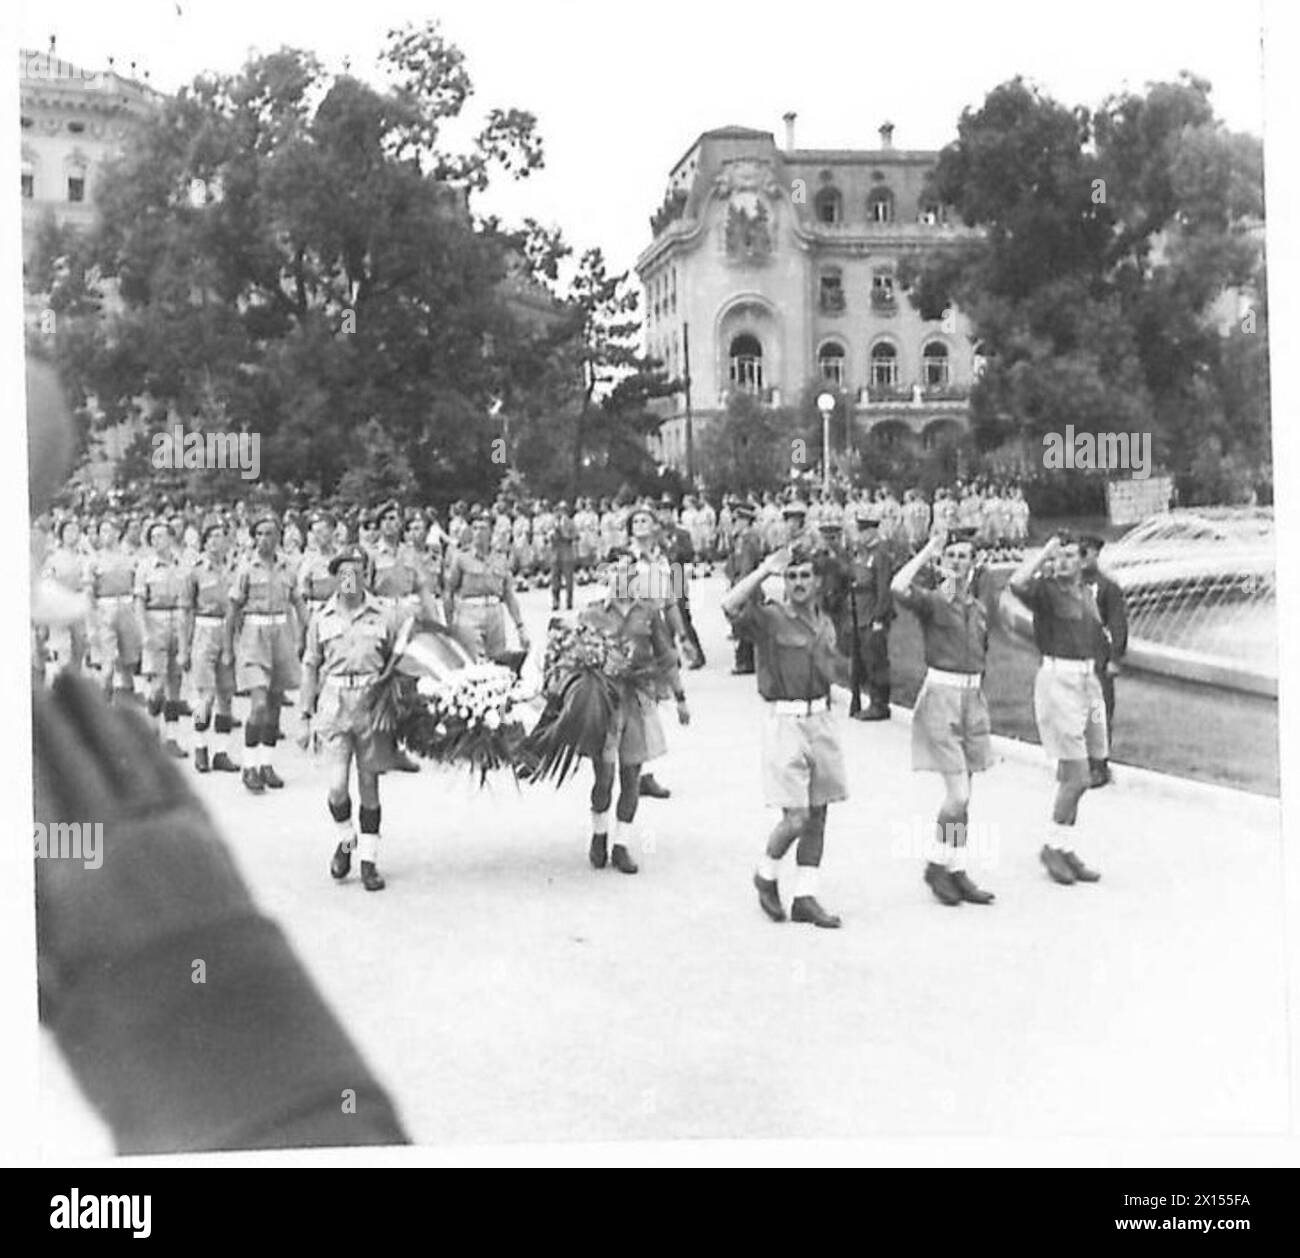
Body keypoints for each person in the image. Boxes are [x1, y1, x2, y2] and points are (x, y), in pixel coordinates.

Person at [722, 542, 851, 928]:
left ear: (816, 582)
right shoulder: (770, 619)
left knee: (819, 813)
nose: (798, 582)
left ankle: (805, 896)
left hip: (822, 720)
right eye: (791, 576)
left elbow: (833, 666)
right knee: (796, 817)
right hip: (786, 723)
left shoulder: (824, 621)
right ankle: (766, 873)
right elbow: (730, 605)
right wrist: (765, 570)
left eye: (804, 576)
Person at [891, 529, 997, 906]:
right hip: (941, 696)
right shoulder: (934, 602)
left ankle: (956, 866)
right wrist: (927, 550)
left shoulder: (979, 608)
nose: (957, 562)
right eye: (950, 555)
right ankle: (936, 863)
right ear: (941, 562)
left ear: (974, 563)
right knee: (959, 793)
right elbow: (897, 586)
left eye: (963, 556)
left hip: (972, 697)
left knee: (965, 795)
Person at [581, 549, 690, 876]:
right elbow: (572, 657)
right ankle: (599, 834)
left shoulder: (648, 613)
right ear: (605, 576)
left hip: (638, 699)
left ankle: (622, 844)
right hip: (604, 700)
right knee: (604, 776)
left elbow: (667, 656)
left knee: (631, 776)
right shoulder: (592, 614)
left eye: (628, 571)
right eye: (615, 571)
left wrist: (681, 697)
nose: (622, 577)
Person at [300, 548, 401, 892]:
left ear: (366, 576)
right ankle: (346, 841)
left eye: (358, 571)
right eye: (344, 572)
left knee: (370, 785)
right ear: (335, 576)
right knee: (337, 784)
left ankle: (369, 861)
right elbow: (311, 664)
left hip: (371, 706)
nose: (350, 578)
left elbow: (396, 664)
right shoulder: (321, 618)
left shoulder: (383, 616)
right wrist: (304, 715)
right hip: (334, 705)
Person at [1008, 534, 1106, 886]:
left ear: (1082, 561)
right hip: (1058, 681)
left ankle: (1065, 847)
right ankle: (1051, 845)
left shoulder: (1086, 592)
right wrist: (1043, 552)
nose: (1062, 562)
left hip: (1086, 683)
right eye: (1058, 556)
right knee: (1077, 775)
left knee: (1081, 773)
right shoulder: (1045, 592)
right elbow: (1016, 582)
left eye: (1069, 556)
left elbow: (1097, 635)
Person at [229, 514, 307, 794]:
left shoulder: (288, 567)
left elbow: (298, 602)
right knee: (259, 704)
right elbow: (233, 609)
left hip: (282, 634)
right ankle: (249, 767)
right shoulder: (246, 568)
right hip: (254, 636)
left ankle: (266, 764)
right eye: (259, 533)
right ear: (253, 536)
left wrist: (305, 633)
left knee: (274, 704)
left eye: (270, 533)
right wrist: (230, 648)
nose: (264, 539)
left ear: (279, 536)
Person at [184, 521, 241, 774]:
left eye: (221, 537)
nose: (217, 542)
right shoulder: (196, 572)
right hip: (204, 631)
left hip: (228, 631)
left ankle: (221, 751)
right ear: (204, 543)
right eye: (212, 537)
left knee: (226, 696)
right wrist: (185, 646)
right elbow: (187, 610)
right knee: (204, 697)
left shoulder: (235, 571)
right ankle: (200, 745)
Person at [134, 520, 190, 758]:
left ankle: (173, 738)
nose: (157, 541)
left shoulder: (182, 565)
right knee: (157, 686)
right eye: (153, 537)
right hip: (155, 623)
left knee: (175, 684)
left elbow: (189, 601)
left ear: (171, 538)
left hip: (178, 622)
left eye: (161, 536)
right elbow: (139, 603)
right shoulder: (145, 567)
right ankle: (151, 735)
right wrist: (144, 632)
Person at [443, 511, 530, 662]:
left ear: (491, 531)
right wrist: (450, 625)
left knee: (499, 662)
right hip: (469, 613)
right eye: (475, 528)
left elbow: (508, 595)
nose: (478, 533)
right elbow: (449, 591)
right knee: (475, 664)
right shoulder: (461, 558)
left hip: (495, 614)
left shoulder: (500, 558)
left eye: (483, 528)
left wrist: (520, 626)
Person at [1079, 534, 1127, 788]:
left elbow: (1118, 623)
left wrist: (1115, 657)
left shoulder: (1107, 587)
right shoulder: (1069, 585)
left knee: (1099, 712)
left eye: (1085, 553)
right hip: (1074, 658)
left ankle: (1099, 765)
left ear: (1096, 554)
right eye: (1078, 553)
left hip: (1098, 658)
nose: (1081, 558)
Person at [86, 514, 142, 703]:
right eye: (103, 531)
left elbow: (138, 585)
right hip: (105, 609)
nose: (107, 535)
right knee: (107, 665)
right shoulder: (94, 560)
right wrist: (93, 622)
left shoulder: (130, 558)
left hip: (127, 607)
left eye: (110, 530)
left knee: (128, 662)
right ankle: (104, 703)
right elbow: (89, 592)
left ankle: (127, 704)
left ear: (118, 533)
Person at [845, 508, 894, 720]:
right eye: (860, 530)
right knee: (863, 660)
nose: (861, 534)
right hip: (860, 614)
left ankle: (879, 703)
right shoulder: (861, 553)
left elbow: (884, 588)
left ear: (874, 531)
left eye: (865, 530)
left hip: (873, 615)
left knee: (876, 661)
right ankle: (865, 699)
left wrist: (879, 617)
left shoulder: (880, 554)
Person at [726, 500, 764, 675]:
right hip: (741, 584)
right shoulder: (740, 538)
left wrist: (739, 587)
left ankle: (746, 662)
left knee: (745, 624)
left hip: (747, 588)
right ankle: (746, 660)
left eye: (739, 520)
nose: (736, 523)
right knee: (742, 624)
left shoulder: (748, 539)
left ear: (746, 521)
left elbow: (747, 566)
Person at [551, 500, 578, 611]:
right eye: (558, 510)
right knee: (554, 579)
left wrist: (564, 533)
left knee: (568, 580)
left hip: (567, 554)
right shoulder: (553, 523)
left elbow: (576, 536)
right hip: (556, 554)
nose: (559, 512)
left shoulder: (571, 523)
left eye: (562, 510)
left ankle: (569, 601)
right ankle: (555, 601)